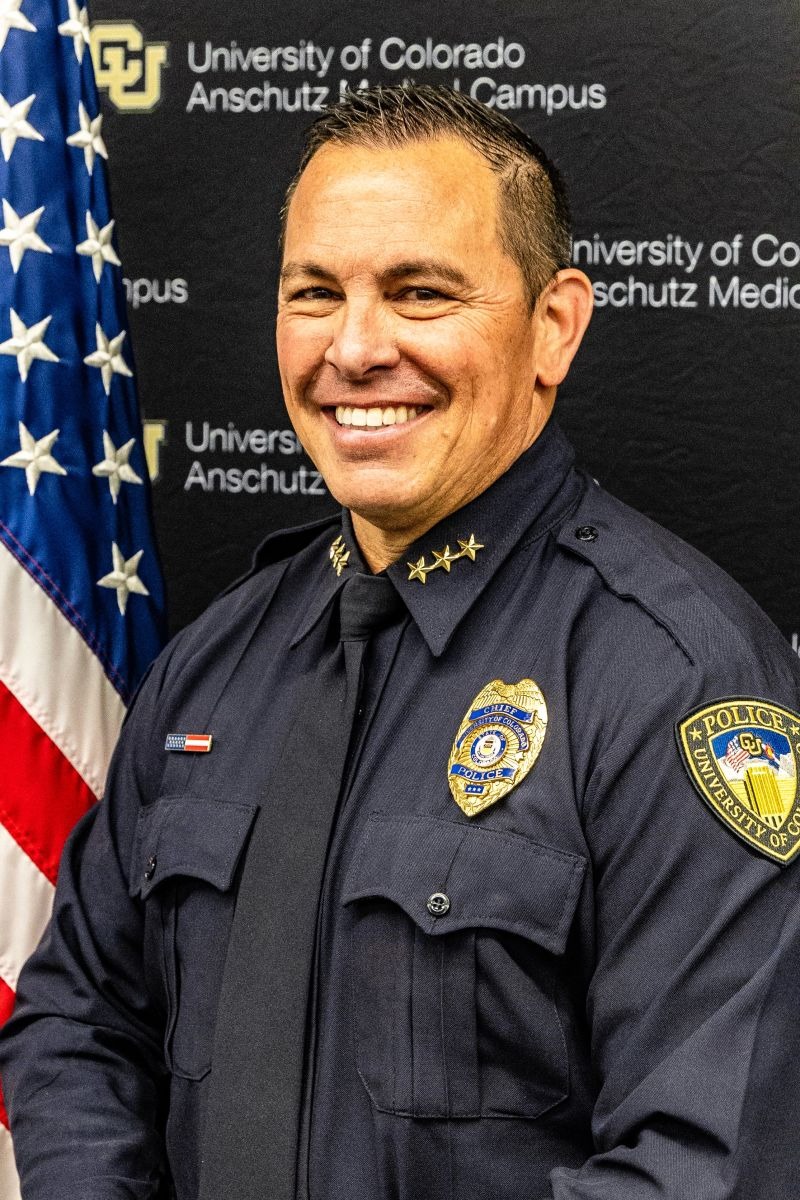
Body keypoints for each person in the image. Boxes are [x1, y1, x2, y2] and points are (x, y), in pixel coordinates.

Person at [2, 84, 800, 1200]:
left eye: (419, 292)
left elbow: (703, 1165)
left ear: (553, 325)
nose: (355, 347)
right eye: (314, 292)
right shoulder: (217, 661)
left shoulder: (674, 680)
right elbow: (78, 1017)